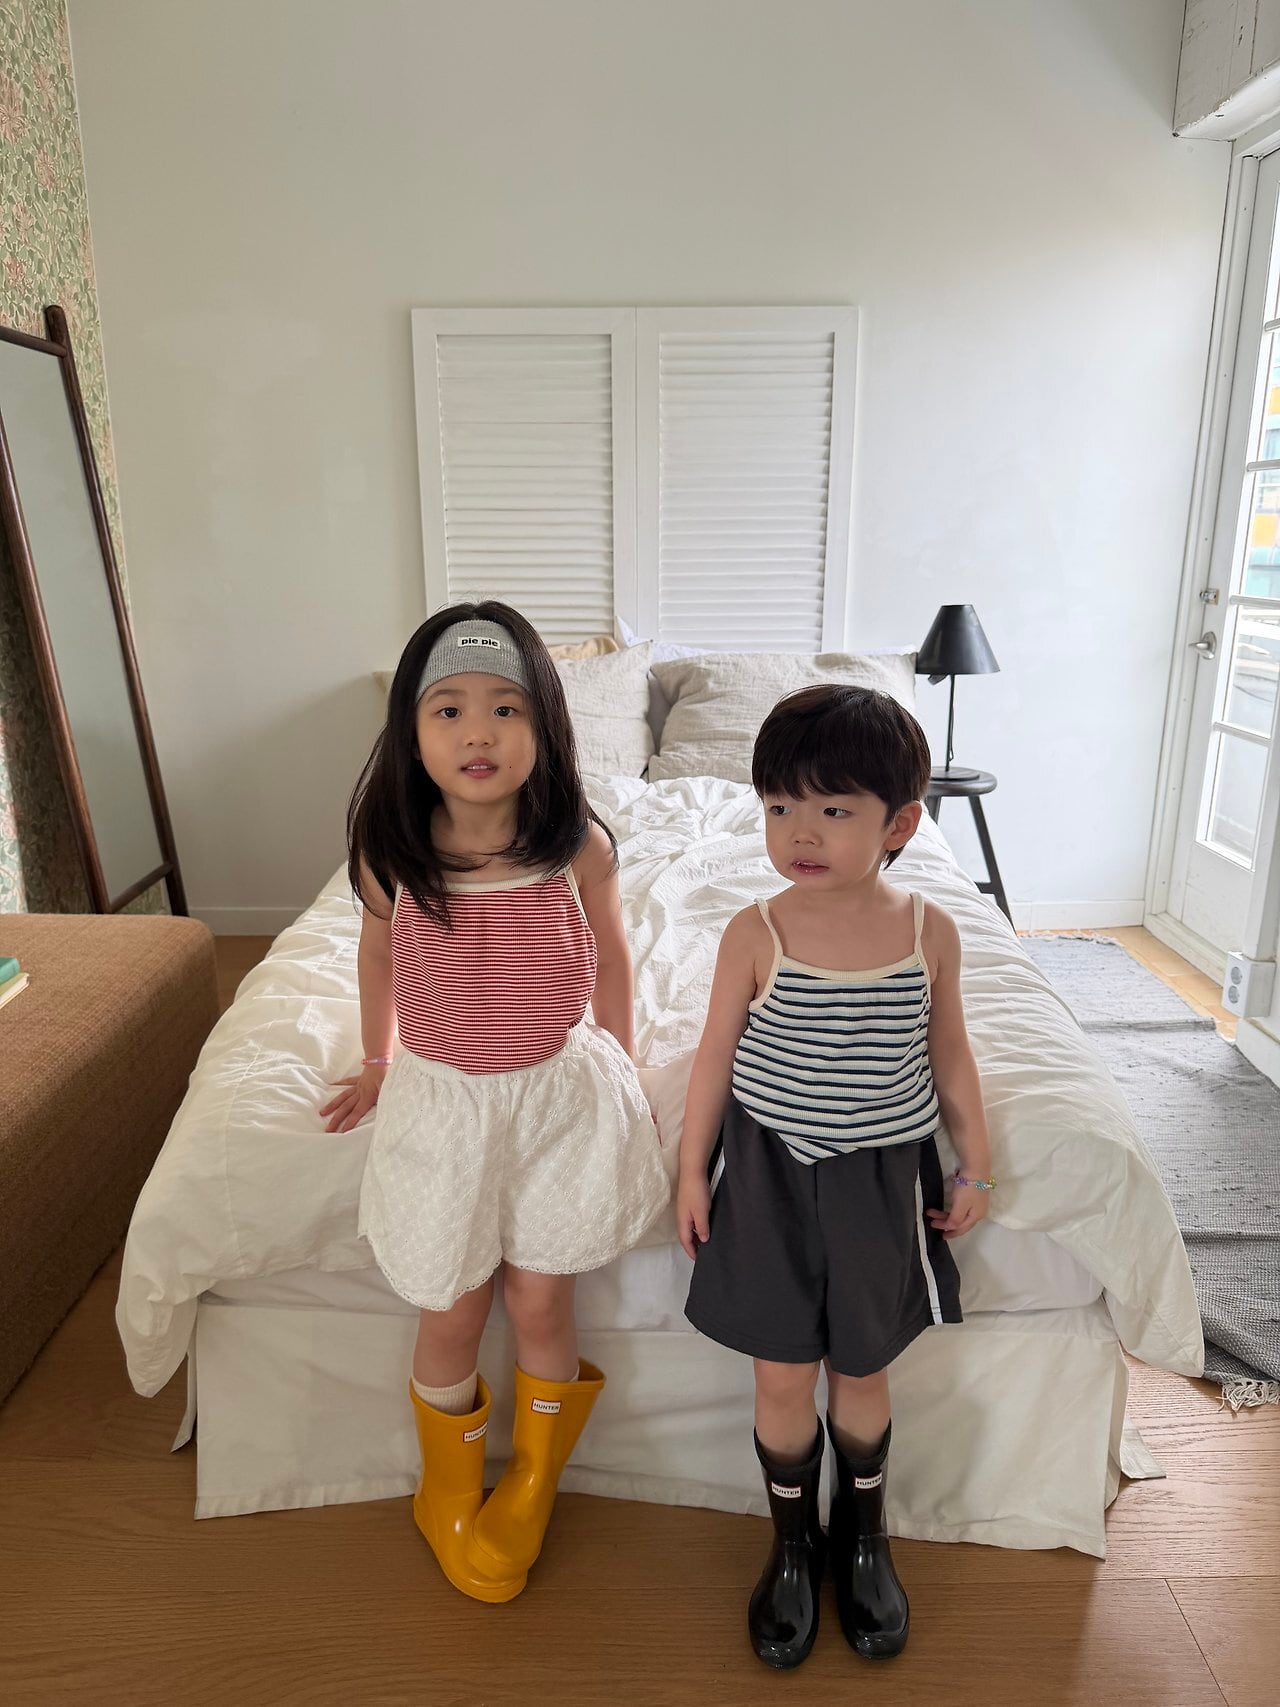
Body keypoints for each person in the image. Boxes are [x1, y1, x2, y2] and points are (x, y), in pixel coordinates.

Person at [321, 600, 669, 1604]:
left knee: (539, 1299)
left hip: (554, 1099)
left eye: (506, 709)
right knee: (452, 1305)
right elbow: (377, 956)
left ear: (544, 729)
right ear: (411, 731)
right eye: (450, 709)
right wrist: (377, 1060)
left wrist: (623, 1058)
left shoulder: (576, 846)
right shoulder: (392, 853)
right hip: (446, 1106)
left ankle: (533, 1478)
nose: (478, 732)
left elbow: (611, 956)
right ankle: (445, 1490)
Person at [676, 683, 994, 1668]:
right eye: (779, 807)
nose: (799, 833)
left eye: (832, 809)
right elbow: (713, 1058)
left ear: (900, 823)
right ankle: (790, 1545)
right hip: (768, 1175)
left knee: (862, 1367)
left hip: (878, 1182)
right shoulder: (754, 932)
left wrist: (975, 1164)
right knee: (781, 1373)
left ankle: (862, 1538)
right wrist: (689, 1171)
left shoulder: (928, 932)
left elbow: (949, 1053)